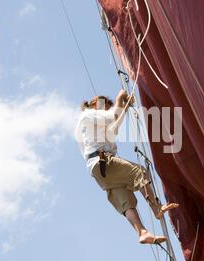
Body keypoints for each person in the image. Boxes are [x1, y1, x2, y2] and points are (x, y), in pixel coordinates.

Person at [74, 89, 179, 245]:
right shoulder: (88, 115)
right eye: (103, 106)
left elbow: (113, 126)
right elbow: (112, 117)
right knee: (139, 172)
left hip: (98, 169)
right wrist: (120, 97)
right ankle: (156, 208)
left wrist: (123, 106)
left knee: (125, 201)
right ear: (95, 104)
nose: (105, 109)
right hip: (102, 161)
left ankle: (142, 233)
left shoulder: (92, 123)